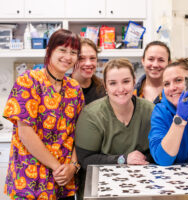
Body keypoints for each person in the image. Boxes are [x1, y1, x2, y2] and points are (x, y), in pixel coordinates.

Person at [3, 29, 84, 200]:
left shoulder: (75, 89)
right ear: (49, 51)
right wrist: (58, 168)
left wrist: (73, 166)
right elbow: (25, 133)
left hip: (64, 181)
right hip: (31, 180)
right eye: (62, 50)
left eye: (73, 52)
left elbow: (79, 133)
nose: (68, 56)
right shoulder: (28, 80)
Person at [75, 58, 154, 199]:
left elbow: (158, 150)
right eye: (113, 83)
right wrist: (123, 159)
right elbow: (85, 159)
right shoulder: (92, 115)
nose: (120, 89)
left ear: (134, 81)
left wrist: (142, 159)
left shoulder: (149, 110)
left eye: (126, 81)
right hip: (100, 190)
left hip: (139, 187)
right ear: (105, 86)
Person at [71, 38, 106, 105]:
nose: (88, 63)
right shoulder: (62, 89)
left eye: (92, 58)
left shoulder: (104, 88)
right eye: (81, 58)